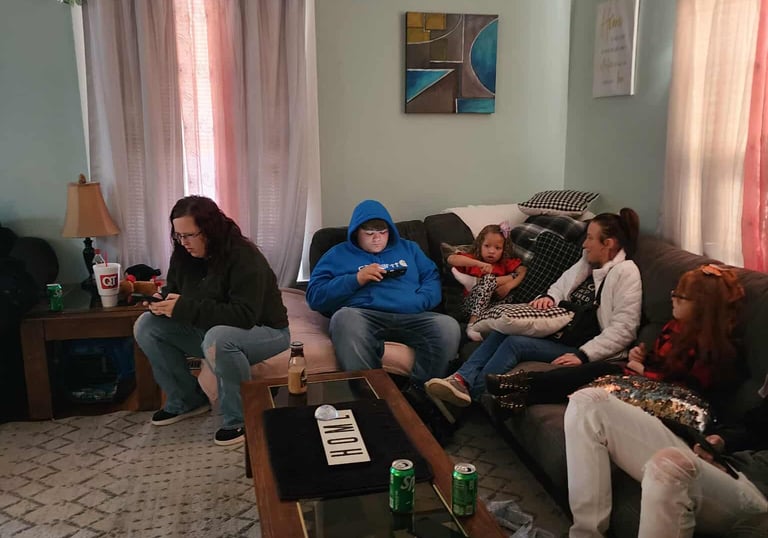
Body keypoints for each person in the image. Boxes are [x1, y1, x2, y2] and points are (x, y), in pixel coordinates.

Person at [425, 208, 642, 422]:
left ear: (608, 243)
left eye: (590, 238)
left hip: (582, 344)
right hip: (560, 329)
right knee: (502, 329)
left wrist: (584, 355)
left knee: (515, 343)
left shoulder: (625, 273)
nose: (584, 244)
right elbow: (560, 286)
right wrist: (548, 297)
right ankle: (461, 379)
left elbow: (624, 330)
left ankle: (471, 398)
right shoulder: (587, 261)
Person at [134, 196, 289, 447]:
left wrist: (183, 307)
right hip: (209, 328)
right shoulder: (183, 255)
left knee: (219, 339)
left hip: (266, 330)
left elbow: (243, 315)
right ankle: (187, 400)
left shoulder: (245, 257)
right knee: (146, 326)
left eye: (189, 235)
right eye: (178, 236)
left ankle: (239, 418)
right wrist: (161, 302)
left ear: (209, 230)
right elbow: (175, 291)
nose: (183, 242)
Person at [488, 264, 746, 412]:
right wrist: (642, 357)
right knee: (596, 370)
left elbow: (684, 389)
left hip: (667, 400)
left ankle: (525, 389)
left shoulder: (710, 347)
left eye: (680, 296)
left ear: (702, 306)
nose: (673, 298)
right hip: (644, 379)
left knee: (598, 380)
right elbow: (662, 362)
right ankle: (523, 388)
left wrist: (641, 369)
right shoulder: (674, 327)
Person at [565, 385, 768, 537]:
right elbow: (752, 425)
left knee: (671, 465)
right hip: (732, 466)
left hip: (759, 491)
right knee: (588, 403)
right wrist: (719, 441)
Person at [306, 199, 460, 389]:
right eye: (369, 234)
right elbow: (315, 296)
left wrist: (421, 300)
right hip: (363, 315)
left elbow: (431, 277)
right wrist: (356, 279)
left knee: (448, 326)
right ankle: (373, 394)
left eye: (382, 232)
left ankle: (422, 394)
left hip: (412, 315)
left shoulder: (410, 248)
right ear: (356, 233)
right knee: (344, 318)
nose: (377, 238)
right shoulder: (337, 254)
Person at [448, 223, 527, 342]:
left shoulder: (504, 263)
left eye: (497, 248)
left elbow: (523, 270)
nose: (491, 251)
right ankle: (472, 325)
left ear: (503, 250)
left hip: (491, 308)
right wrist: (479, 264)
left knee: (514, 281)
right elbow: (451, 259)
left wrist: (509, 285)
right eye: (487, 246)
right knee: (489, 279)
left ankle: (475, 282)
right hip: (470, 307)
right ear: (480, 245)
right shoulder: (473, 260)